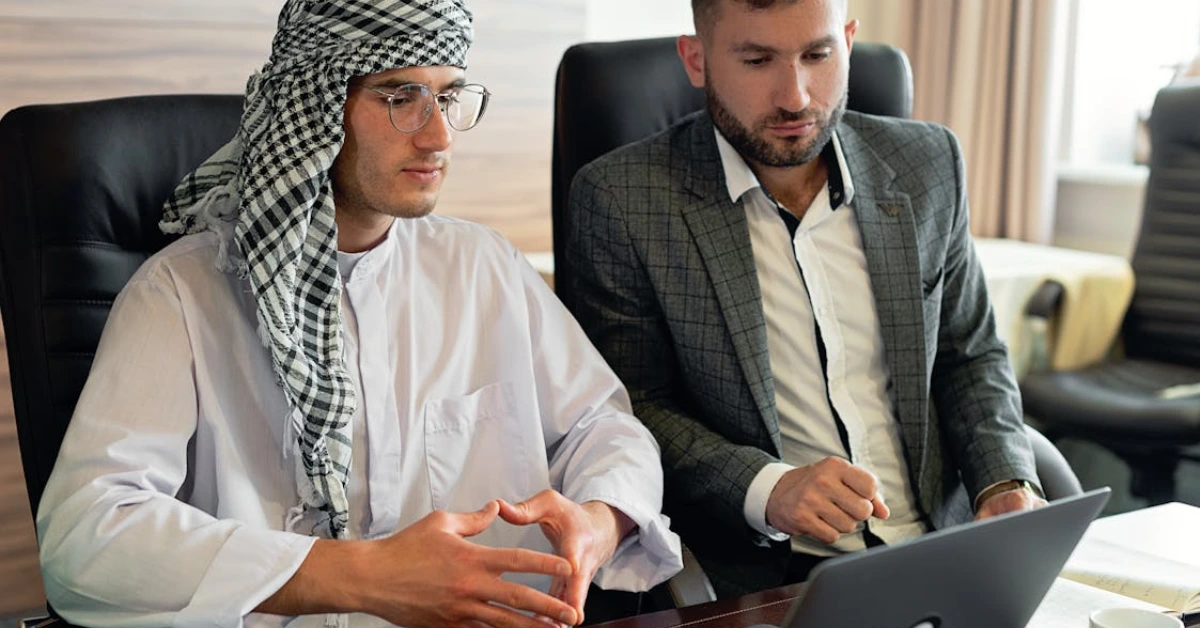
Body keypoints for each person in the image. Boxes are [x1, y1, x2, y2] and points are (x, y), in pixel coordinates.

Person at [35, 2, 681, 627]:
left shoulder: (485, 268)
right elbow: (86, 538)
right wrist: (368, 575)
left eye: (449, 96)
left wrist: (599, 520)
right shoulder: (180, 295)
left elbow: (606, 427)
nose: (439, 136)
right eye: (400, 97)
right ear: (312, 106)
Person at [564, 0, 1044, 598]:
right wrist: (769, 488)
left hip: (946, 550)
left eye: (817, 55)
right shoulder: (623, 200)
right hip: (776, 579)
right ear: (697, 59)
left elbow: (968, 355)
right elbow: (630, 408)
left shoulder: (927, 165)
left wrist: (1003, 483)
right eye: (757, 60)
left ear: (847, 41)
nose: (795, 97)